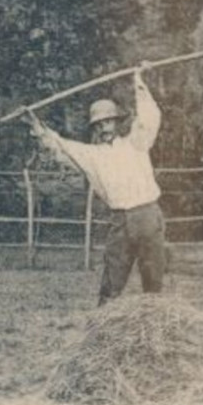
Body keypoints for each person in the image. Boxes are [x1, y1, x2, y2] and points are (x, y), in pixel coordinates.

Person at [27, 64, 167, 305]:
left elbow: (149, 118)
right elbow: (62, 147)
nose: (104, 128)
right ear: (95, 128)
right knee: (112, 278)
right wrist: (36, 126)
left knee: (153, 278)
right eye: (99, 125)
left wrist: (139, 82)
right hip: (120, 220)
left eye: (108, 122)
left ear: (117, 122)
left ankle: (155, 328)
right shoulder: (93, 156)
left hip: (147, 215)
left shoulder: (136, 142)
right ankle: (102, 326)